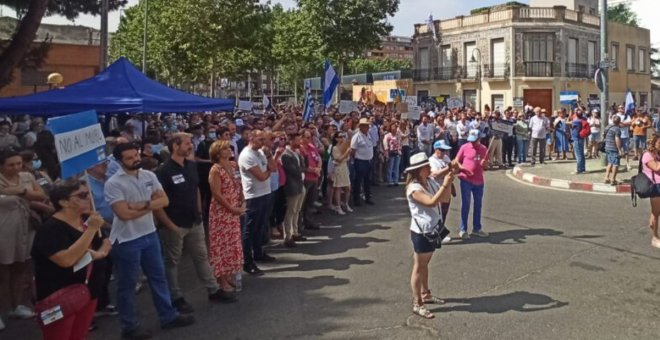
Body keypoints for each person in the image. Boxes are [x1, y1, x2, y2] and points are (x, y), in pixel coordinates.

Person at [104, 143, 194, 339]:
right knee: (127, 284)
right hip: (127, 239)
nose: (135, 159)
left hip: (149, 233)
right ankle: (129, 326)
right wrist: (150, 206)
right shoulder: (113, 183)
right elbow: (124, 214)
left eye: (135, 155)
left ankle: (168, 315)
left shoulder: (149, 176)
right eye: (129, 158)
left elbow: (165, 201)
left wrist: (142, 205)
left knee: (158, 277)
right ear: (119, 161)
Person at [155, 133, 237, 315]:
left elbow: (196, 190)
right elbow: (158, 203)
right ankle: (176, 297)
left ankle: (213, 289)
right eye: (186, 143)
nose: (190, 146)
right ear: (175, 146)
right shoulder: (162, 171)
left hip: (194, 221)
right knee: (172, 262)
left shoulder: (191, 166)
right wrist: (170, 225)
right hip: (174, 224)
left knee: (201, 256)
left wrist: (199, 211)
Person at [31, 179, 112, 340]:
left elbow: (102, 246)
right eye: (82, 195)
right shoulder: (50, 229)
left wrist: (100, 252)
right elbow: (66, 260)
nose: (88, 197)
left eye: (88, 193)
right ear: (63, 202)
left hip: (88, 291)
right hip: (59, 296)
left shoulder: (84, 221)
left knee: (79, 335)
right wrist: (92, 230)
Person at [0, 148, 51, 321]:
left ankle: (15, 306)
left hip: (25, 228)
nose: (16, 168)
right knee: (2, 271)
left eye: (18, 163)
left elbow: (40, 195)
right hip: (3, 230)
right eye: (10, 165)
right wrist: (24, 192)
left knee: (20, 267)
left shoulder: (26, 177)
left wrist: (19, 191)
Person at [404, 152, 454, 319]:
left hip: (433, 228)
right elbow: (431, 202)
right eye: (426, 166)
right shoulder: (414, 188)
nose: (430, 168)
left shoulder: (430, 182)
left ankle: (426, 294)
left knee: (425, 265)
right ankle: (417, 303)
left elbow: (445, 198)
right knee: (419, 266)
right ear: (419, 170)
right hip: (422, 232)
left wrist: (448, 182)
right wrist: (445, 184)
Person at [207, 140, 246, 289]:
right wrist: (231, 208)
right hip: (221, 213)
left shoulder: (234, 165)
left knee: (233, 243)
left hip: (234, 210)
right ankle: (221, 278)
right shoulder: (215, 169)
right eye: (224, 148)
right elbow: (216, 194)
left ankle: (230, 274)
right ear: (217, 153)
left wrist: (241, 201)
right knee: (221, 245)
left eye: (228, 147)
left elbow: (239, 184)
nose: (228, 150)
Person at [238, 130, 277, 275]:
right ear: (251, 138)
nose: (263, 142)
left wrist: (268, 155)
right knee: (250, 229)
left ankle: (259, 252)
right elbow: (261, 176)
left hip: (265, 193)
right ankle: (247, 262)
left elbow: (274, 168)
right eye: (260, 139)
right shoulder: (246, 155)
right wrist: (267, 172)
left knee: (261, 226)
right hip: (253, 196)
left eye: (263, 139)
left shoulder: (261, 153)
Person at [456, 129, 489, 239]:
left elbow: (486, 166)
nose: (472, 143)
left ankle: (476, 228)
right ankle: (463, 229)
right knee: (466, 204)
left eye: (475, 141)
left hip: (479, 181)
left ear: (479, 139)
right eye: (471, 140)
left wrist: (485, 164)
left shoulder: (484, 149)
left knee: (478, 204)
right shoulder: (464, 147)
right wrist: (464, 169)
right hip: (466, 179)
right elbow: (456, 162)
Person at [280, 133, 307, 247]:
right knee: (290, 211)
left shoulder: (297, 153)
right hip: (292, 186)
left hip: (300, 184)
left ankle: (295, 232)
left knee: (297, 210)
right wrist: (301, 169)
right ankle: (288, 236)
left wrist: (301, 167)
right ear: (290, 141)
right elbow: (294, 171)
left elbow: (303, 166)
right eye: (296, 140)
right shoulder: (286, 155)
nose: (299, 142)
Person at [428, 140, 457, 244]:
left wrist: (454, 169)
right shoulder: (432, 160)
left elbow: (451, 169)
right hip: (437, 189)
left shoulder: (445, 158)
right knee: (437, 213)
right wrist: (449, 168)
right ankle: (435, 235)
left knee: (443, 213)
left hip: (447, 188)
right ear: (436, 150)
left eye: (445, 150)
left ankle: (439, 234)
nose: (445, 152)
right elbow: (435, 174)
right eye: (442, 150)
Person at [641, 135, 660, 249]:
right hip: (655, 187)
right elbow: (657, 167)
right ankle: (655, 237)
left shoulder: (657, 154)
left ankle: (653, 226)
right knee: (656, 213)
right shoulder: (647, 155)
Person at [351, 118, 374, 206]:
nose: (368, 127)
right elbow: (353, 150)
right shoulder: (356, 136)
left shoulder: (368, 135)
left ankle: (368, 197)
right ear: (361, 127)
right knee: (358, 181)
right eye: (366, 126)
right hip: (360, 161)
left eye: (368, 126)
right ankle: (356, 199)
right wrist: (355, 159)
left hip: (368, 160)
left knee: (367, 180)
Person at [330, 132, 353, 215]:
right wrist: (346, 153)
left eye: (343, 136)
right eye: (340, 137)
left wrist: (346, 154)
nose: (342, 138)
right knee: (338, 188)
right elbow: (338, 159)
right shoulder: (335, 148)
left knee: (348, 188)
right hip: (338, 169)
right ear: (336, 139)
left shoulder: (345, 146)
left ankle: (346, 204)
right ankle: (338, 207)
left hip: (344, 167)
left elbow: (347, 158)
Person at [603, 116, 623, 185]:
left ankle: (606, 177)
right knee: (615, 164)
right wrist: (619, 149)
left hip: (607, 147)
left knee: (610, 163)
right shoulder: (617, 129)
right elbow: (617, 139)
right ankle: (613, 179)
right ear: (619, 121)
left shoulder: (608, 127)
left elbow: (604, 135)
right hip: (613, 148)